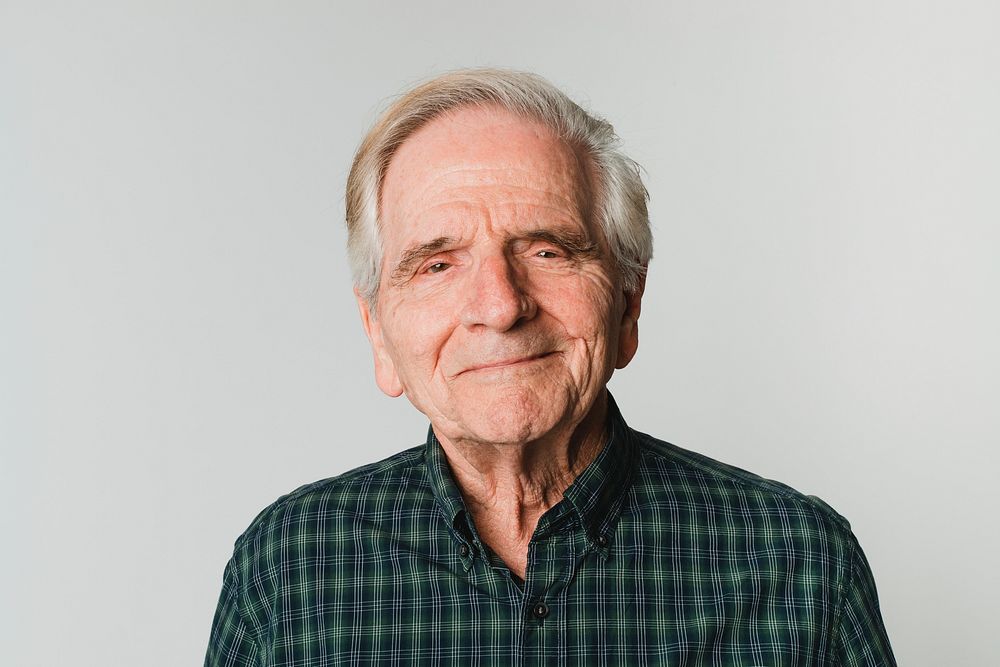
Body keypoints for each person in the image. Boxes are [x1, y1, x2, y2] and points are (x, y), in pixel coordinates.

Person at [205, 69, 895, 666]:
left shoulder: (800, 565)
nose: (500, 306)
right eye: (438, 264)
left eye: (547, 250)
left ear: (628, 302)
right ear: (378, 333)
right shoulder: (286, 570)